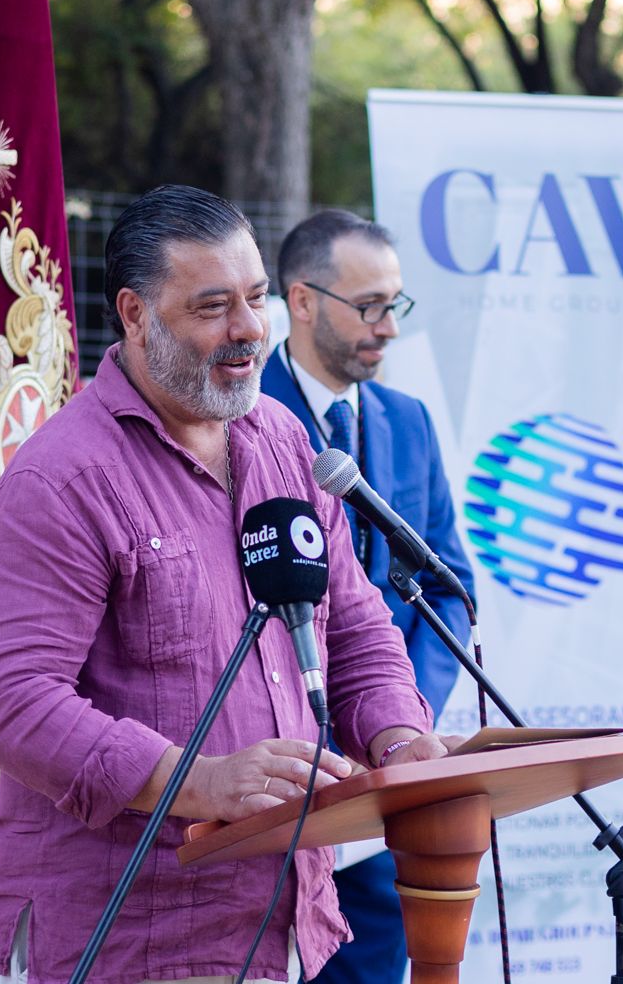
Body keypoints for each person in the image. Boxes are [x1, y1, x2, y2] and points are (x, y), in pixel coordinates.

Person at [0, 185, 460, 984]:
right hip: (114, 939)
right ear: (135, 313)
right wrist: (194, 782)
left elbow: (355, 630)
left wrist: (401, 740)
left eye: (257, 298)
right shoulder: (61, 481)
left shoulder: (283, 442)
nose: (249, 331)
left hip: (273, 928)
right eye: (212, 307)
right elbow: (12, 702)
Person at [263, 210, 475, 984]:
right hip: (288, 778)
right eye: (371, 305)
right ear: (303, 300)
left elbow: (451, 585)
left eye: (397, 305)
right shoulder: (243, 420)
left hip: (391, 779)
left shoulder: (408, 422)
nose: (388, 326)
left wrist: (396, 717)